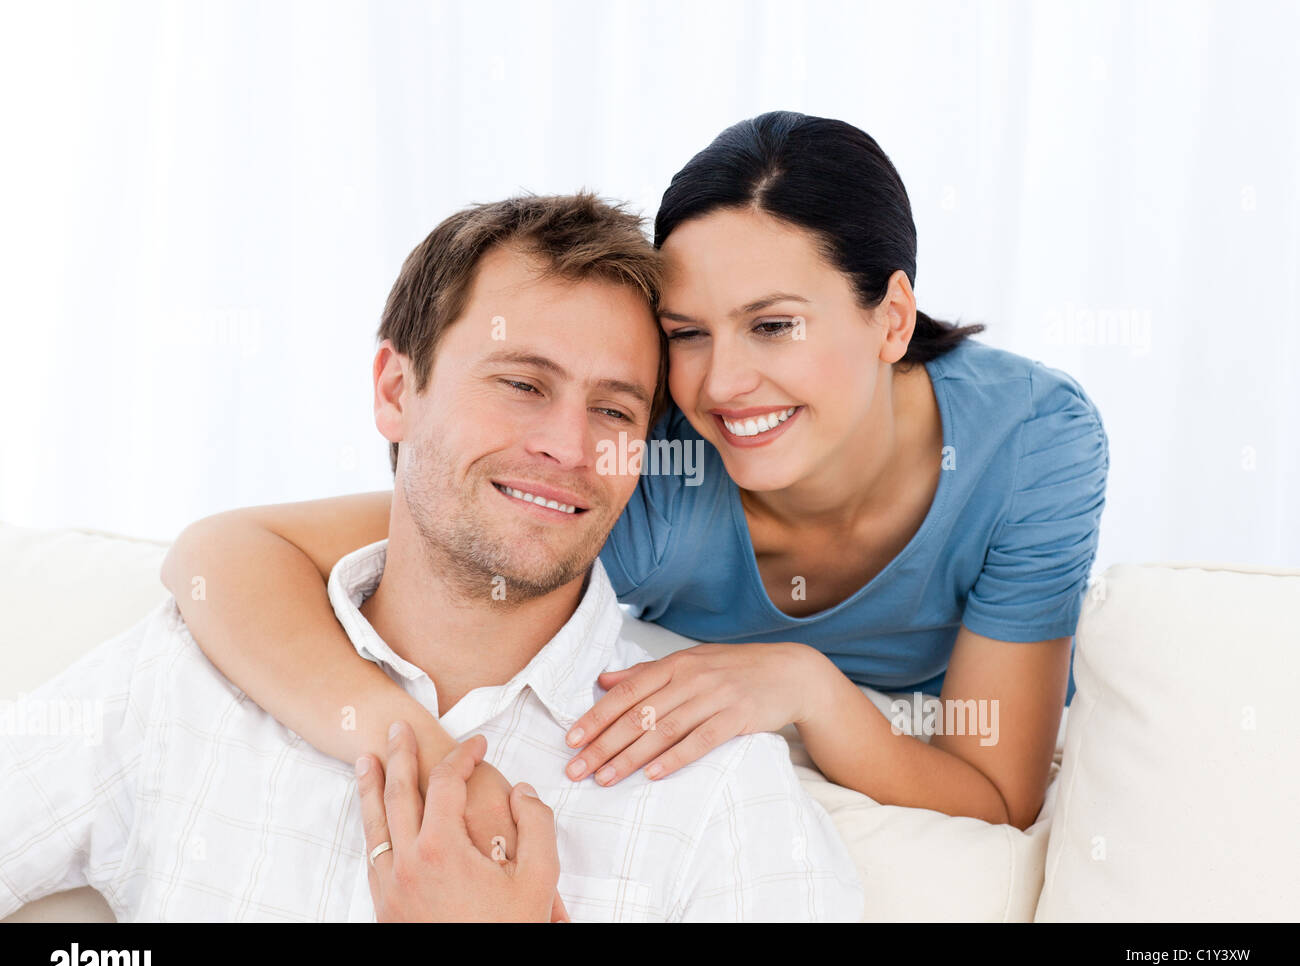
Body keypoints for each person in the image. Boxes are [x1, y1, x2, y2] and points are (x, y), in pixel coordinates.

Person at [162, 111, 1109, 852]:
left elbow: (995, 791)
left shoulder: (1033, 445)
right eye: (689, 333)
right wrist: (408, 742)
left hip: (905, 737)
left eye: (773, 324)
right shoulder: (649, 477)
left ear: (893, 318)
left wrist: (808, 685)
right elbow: (227, 552)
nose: (722, 385)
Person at [0, 193, 865, 923]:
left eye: (613, 411)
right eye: (522, 384)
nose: (568, 446)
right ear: (395, 390)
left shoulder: (717, 787)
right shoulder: (183, 674)